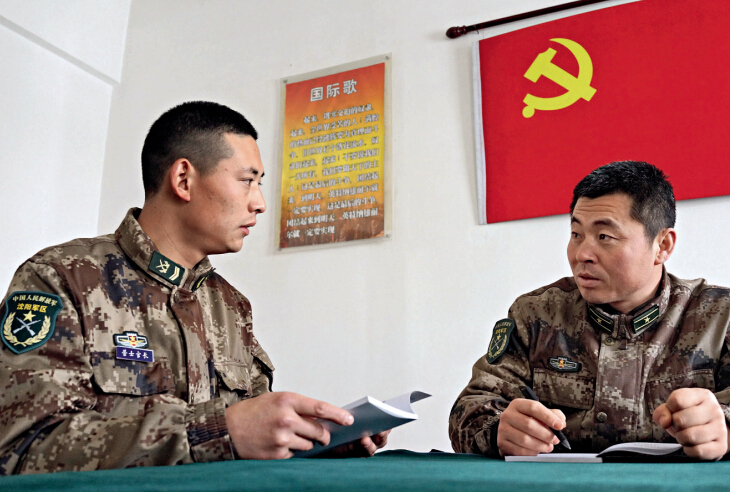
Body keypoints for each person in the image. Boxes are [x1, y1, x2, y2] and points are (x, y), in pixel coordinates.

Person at [0, 101, 387, 475]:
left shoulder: (231, 305)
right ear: (184, 179)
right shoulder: (60, 278)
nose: (260, 203)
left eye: (260, 184)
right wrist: (214, 431)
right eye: (247, 181)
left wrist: (315, 442)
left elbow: (251, 441)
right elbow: (21, 449)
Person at [449, 161, 730, 461]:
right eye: (576, 234)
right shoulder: (536, 315)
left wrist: (725, 429)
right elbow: (469, 408)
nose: (582, 254)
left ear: (662, 245)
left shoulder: (719, 317)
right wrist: (498, 431)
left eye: (604, 236)